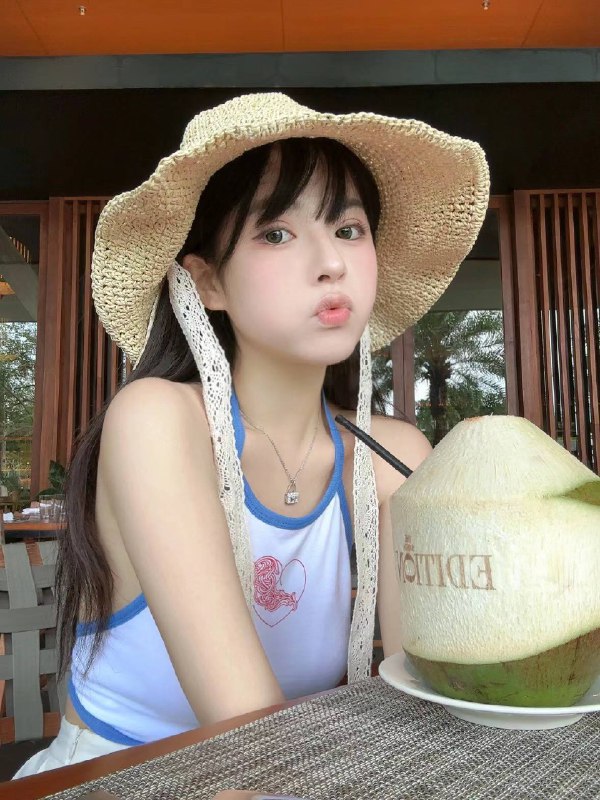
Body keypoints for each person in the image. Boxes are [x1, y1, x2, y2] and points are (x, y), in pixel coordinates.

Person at [14, 92, 489, 777]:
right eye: (276, 233)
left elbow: (426, 695)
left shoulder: (394, 457)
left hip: (310, 773)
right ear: (207, 282)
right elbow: (251, 727)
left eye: (348, 228)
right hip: (123, 776)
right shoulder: (156, 422)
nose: (330, 262)